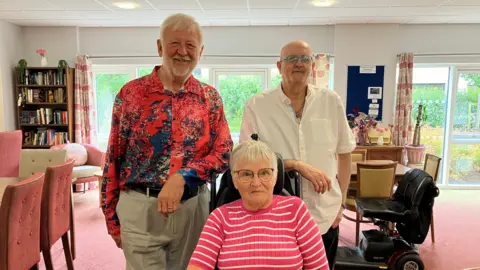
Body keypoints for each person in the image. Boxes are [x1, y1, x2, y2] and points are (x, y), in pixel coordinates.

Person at [101, 13, 233, 270]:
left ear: (200, 51)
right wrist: (110, 217)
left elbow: (224, 152)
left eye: (191, 45)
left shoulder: (210, 98)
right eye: (174, 43)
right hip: (141, 209)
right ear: (160, 46)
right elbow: (113, 157)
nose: (182, 52)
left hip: (193, 209)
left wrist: (183, 177)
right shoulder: (131, 94)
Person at [239, 40, 356, 269]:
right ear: (279, 65)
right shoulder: (257, 105)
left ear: (313, 66)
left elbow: (344, 154)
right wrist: (295, 164)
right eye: (292, 59)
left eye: (305, 59)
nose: (299, 64)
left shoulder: (331, 101)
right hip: (274, 218)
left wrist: (340, 204)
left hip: (324, 216)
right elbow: (246, 158)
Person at [187, 140, 330, 270]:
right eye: (246, 174)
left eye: (264, 173)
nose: (256, 183)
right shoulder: (219, 218)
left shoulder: (296, 210)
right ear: (235, 180)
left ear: (275, 177)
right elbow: (198, 266)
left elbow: (319, 267)